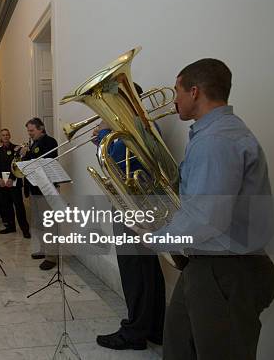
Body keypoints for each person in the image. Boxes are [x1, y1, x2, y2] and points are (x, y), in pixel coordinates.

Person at [135, 59, 274, 359]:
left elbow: (205, 219)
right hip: (209, 265)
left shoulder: (215, 141)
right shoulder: (214, 134)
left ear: (195, 92)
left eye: (178, 90)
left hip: (225, 269)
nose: (175, 99)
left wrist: (155, 237)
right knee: (178, 345)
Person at [90, 84, 167, 350]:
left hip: (134, 207)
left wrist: (102, 138)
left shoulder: (131, 129)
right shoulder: (135, 126)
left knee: (134, 268)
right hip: (138, 204)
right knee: (147, 269)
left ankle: (135, 331)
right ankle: (155, 327)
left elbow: (121, 164)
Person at [19, 118, 60, 271]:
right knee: (39, 223)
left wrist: (27, 153)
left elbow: (43, 161)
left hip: (46, 188)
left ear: (41, 128)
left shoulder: (50, 141)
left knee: (49, 224)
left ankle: (52, 256)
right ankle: (44, 249)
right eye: (28, 131)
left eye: (32, 131)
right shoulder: (34, 143)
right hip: (35, 188)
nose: (29, 134)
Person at [0, 129, 30, 238]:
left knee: (19, 206)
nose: (5, 137)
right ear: (1, 137)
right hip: (3, 183)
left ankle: (25, 229)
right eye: (3, 135)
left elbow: (18, 165)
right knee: (6, 206)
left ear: (10, 136)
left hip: (14, 182)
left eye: (7, 135)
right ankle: (10, 226)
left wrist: (11, 178)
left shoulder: (16, 148)